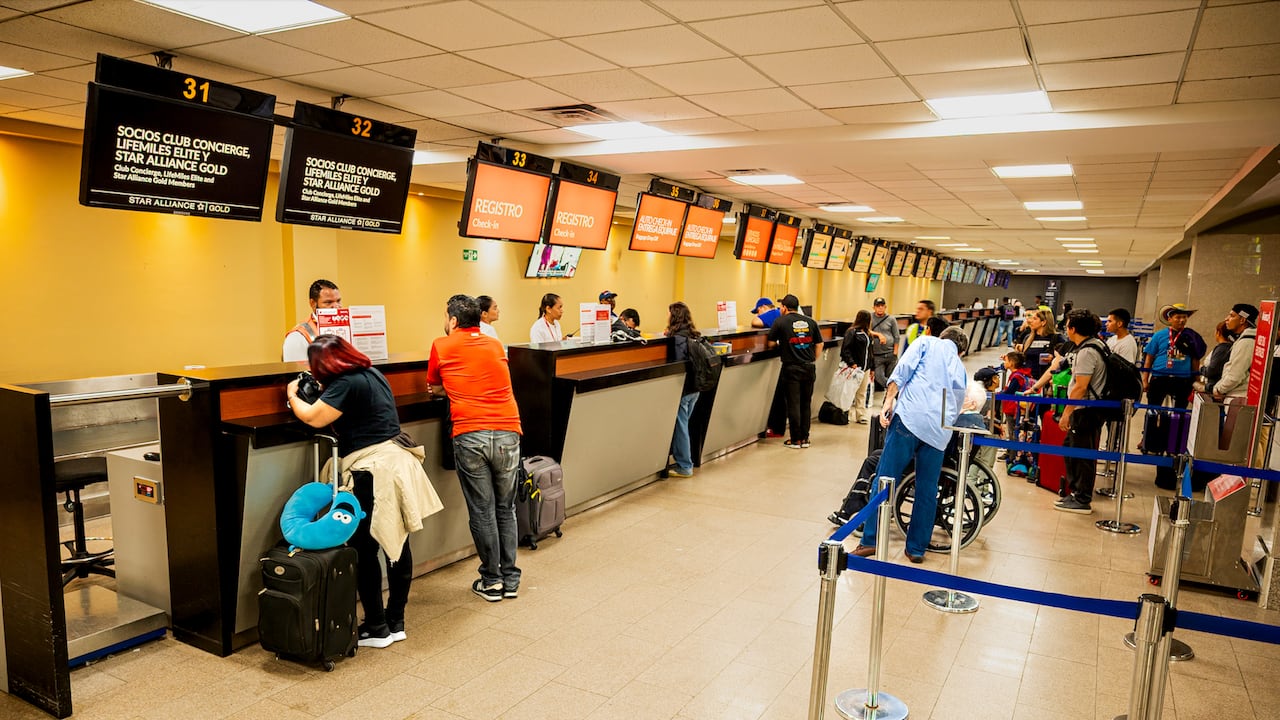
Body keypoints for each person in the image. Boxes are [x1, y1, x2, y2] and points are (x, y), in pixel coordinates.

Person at [286, 334, 438, 647]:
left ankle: (377, 627)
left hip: (372, 469)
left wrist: (292, 394)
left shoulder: (345, 383)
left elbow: (313, 417)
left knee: (365, 548)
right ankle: (396, 622)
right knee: (397, 544)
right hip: (396, 461)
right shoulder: (371, 374)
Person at [426, 295, 524, 602]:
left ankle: (491, 581)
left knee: (482, 511)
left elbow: (435, 387)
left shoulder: (441, 345)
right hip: (508, 431)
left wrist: (453, 387)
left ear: (453, 320)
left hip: (470, 433)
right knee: (505, 508)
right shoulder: (494, 345)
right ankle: (510, 578)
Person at [853, 323, 968, 563]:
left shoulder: (926, 342)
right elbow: (956, 405)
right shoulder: (960, 367)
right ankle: (916, 549)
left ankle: (870, 541)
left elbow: (902, 371)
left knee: (885, 479)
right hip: (938, 433)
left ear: (942, 336)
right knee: (927, 490)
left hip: (909, 420)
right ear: (961, 351)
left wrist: (888, 402)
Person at [1054, 311, 1109, 514]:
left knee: (1081, 454)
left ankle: (1082, 498)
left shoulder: (1087, 352)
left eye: (1067, 325)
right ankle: (1076, 492)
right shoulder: (1097, 344)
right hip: (1089, 409)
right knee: (1071, 448)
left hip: (1085, 410)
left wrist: (1067, 413)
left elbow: (1080, 386)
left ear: (1073, 329)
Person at [767, 294, 818, 449]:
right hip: (809, 367)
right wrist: (812, 359)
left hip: (791, 368)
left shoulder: (780, 322)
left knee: (794, 404)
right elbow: (820, 343)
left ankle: (795, 440)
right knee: (806, 403)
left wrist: (782, 345)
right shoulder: (811, 322)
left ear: (784, 307)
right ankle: (805, 438)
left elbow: (770, 343)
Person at [1143, 303, 1206, 411]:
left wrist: (1197, 381)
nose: (1182, 320)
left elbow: (1195, 359)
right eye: (1178, 317)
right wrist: (1145, 380)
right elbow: (1149, 358)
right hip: (1160, 378)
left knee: (1180, 412)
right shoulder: (1159, 335)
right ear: (1170, 319)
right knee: (1152, 411)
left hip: (1182, 380)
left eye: (1184, 317)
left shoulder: (1192, 337)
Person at [666, 302, 703, 478]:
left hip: (684, 389)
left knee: (681, 428)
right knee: (683, 426)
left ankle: (685, 466)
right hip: (696, 388)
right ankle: (682, 459)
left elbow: (678, 365)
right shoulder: (694, 335)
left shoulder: (678, 339)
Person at [283, 279, 341, 362]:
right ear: (313, 303)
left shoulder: (347, 328)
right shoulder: (297, 336)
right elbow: (296, 369)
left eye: (338, 301)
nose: (336, 306)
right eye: (328, 302)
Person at [1213, 303, 1259, 399]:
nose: (1226, 319)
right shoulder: (1244, 339)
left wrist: (1219, 390)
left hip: (1239, 396)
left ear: (1242, 320)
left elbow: (1235, 376)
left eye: (1232, 316)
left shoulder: (1246, 342)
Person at [840, 310, 874, 423]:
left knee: (862, 392)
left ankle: (861, 415)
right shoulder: (852, 332)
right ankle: (846, 414)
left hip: (865, 368)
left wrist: (872, 367)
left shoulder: (868, 334)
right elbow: (845, 350)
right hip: (854, 368)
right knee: (850, 392)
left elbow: (870, 352)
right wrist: (852, 363)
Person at [869, 297, 900, 389]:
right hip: (877, 355)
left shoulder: (891, 319)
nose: (880, 308)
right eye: (878, 306)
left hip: (890, 354)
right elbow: (866, 330)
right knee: (879, 377)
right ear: (873, 307)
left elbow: (896, 336)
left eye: (882, 306)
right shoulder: (870, 318)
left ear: (885, 307)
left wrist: (895, 352)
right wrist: (878, 334)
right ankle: (893, 390)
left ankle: (890, 394)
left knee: (891, 377)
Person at [1199, 321, 1235, 392]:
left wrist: (1200, 368)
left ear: (1218, 333)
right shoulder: (1229, 347)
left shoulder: (1222, 349)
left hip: (1215, 387)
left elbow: (1211, 371)